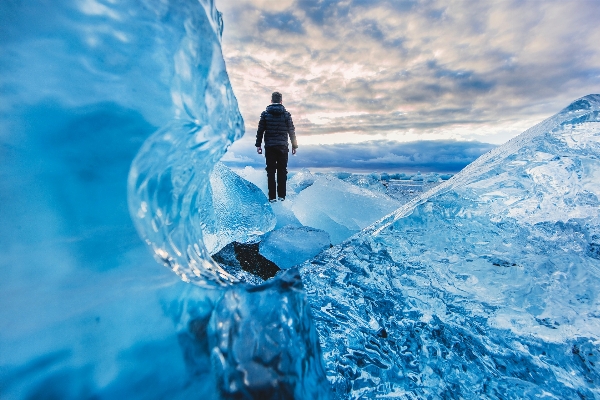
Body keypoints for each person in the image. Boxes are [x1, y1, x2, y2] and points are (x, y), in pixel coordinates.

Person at [255, 91, 298, 202]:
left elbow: (260, 131)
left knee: (270, 172)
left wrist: (258, 145)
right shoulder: (286, 114)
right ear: (281, 101)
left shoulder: (265, 114)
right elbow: (291, 131)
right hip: (283, 147)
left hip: (269, 146)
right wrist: (294, 145)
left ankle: (272, 198)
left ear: (271, 101)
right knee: (282, 171)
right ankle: (282, 197)